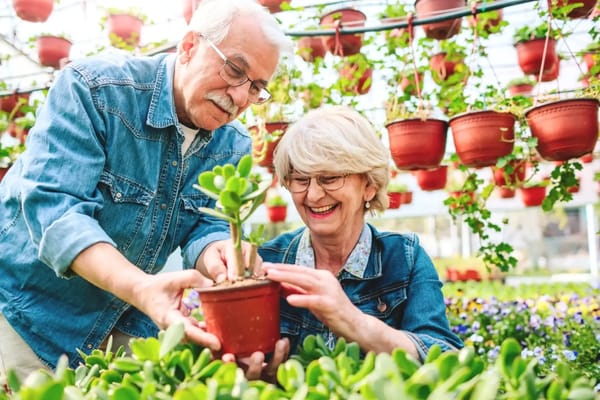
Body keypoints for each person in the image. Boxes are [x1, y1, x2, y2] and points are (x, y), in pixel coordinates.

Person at [0, 0, 293, 381]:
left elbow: (203, 226)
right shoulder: (96, 90)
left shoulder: (232, 144)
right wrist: (141, 288)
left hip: (125, 322)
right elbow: (57, 212)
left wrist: (216, 251)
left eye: (256, 88)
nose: (240, 97)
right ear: (188, 46)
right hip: (30, 316)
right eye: (235, 69)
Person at [235, 105, 463, 379]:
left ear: (369, 185)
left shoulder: (404, 257)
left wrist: (351, 320)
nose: (314, 195)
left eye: (329, 178)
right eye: (300, 180)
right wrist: (253, 373)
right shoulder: (267, 262)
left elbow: (445, 357)